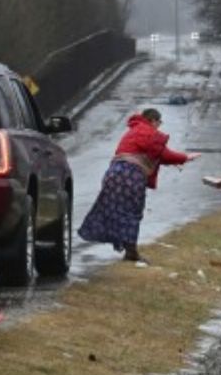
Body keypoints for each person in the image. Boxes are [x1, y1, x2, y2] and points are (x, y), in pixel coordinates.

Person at [78, 109, 201, 262]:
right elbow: (164, 154)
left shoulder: (133, 131)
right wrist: (186, 157)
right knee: (132, 212)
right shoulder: (149, 132)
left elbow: (150, 154)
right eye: (159, 122)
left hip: (113, 173)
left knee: (112, 209)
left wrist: (173, 161)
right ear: (153, 121)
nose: (159, 126)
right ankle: (131, 252)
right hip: (131, 175)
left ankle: (121, 244)